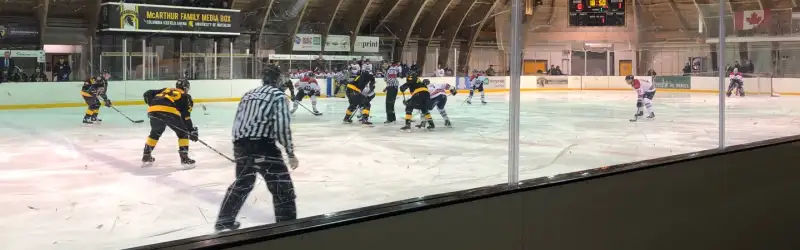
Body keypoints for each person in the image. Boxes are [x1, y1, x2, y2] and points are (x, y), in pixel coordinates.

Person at [215, 65, 299, 231]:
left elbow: (238, 122)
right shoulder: (278, 95)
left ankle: (224, 220)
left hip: (240, 144)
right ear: (278, 79)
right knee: (282, 186)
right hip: (263, 146)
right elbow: (281, 127)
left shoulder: (248, 95)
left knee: (243, 182)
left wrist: (241, 150)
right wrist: (290, 153)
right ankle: (287, 228)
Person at [141, 78, 197, 168]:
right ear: (186, 88)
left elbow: (147, 93)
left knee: (155, 132)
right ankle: (185, 159)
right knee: (183, 133)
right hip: (169, 111)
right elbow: (186, 117)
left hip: (153, 111)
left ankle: (146, 155)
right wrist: (191, 130)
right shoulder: (186, 96)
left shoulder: (165, 89)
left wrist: (155, 105)